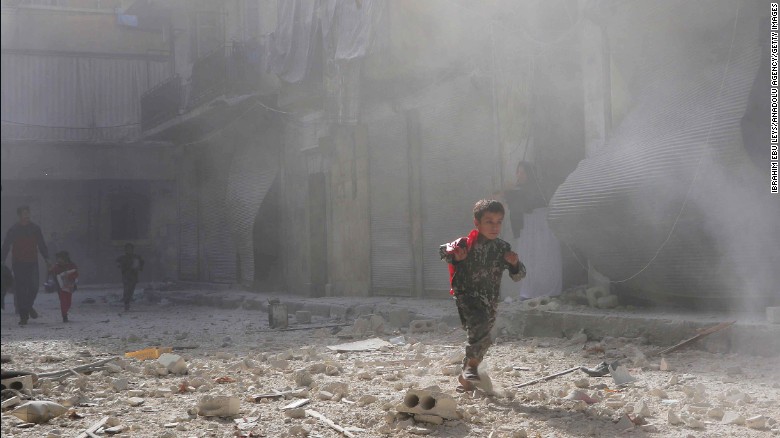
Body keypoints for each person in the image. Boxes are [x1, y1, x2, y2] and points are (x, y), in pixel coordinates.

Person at [439, 199, 526, 390]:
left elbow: (519, 276)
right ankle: (471, 367)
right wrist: (455, 256)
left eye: (498, 222)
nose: (495, 227)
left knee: (483, 337)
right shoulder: (465, 243)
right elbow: (443, 250)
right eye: (489, 222)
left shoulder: (501, 248)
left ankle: (467, 378)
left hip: (490, 300)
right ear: (477, 223)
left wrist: (514, 264)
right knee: (479, 327)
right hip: (467, 296)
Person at [500, 161, 562, 299]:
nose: (519, 175)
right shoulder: (517, 191)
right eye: (518, 172)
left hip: (538, 227)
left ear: (529, 174)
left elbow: (529, 203)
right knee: (528, 258)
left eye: (523, 172)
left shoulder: (534, 190)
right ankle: (529, 291)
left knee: (541, 257)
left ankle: (544, 290)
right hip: (527, 229)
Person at [1, 205, 49, 325]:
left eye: (28, 213)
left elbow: (41, 244)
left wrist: (47, 258)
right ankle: (23, 316)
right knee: (21, 289)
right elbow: (6, 245)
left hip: (32, 262)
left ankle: (28, 306)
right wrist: (2, 259)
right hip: (18, 263)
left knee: (34, 287)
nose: (26, 215)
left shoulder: (35, 229)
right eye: (24, 213)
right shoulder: (14, 230)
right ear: (19, 215)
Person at [50, 251, 78, 322]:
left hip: (69, 286)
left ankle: (65, 310)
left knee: (68, 302)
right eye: (58, 259)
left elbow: (76, 273)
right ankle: (64, 315)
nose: (59, 260)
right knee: (63, 301)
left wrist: (71, 277)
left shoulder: (71, 265)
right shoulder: (56, 267)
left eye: (61, 259)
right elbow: (53, 273)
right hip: (60, 287)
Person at [116, 243, 144, 311]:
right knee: (126, 289)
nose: (129, 250)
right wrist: (120, 265)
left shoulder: (136, 257)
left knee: (131, 290)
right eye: (127, 249)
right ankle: (126, 303)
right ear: (125, 250)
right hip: (126, 276)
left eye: (130, 249)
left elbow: (142, 263)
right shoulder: (122, 257)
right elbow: (117, 262)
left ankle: (127, 302)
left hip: (133, 276)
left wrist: (139, 267)